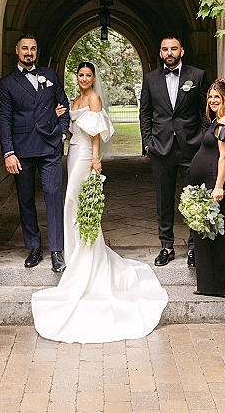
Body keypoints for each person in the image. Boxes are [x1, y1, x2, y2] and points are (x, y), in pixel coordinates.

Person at [31, 62, 168, 343]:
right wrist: (61, 115)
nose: (84, 79)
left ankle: (87, 254)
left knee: (75, 203)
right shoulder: (74, 99)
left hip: (84, 157)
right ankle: (75, 251)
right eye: (80, 75)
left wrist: (95, 159)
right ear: (77, 78)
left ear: (94, 78)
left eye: (88, 75)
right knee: (72, 205)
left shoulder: (93, 98)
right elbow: (70, 129)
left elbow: (95, 133)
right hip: (72, 153)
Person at [0, 34, 70, 273]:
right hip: (22, 148)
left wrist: (61, 132)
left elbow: (64, 106)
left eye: (33, 49)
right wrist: (8, 152)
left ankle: (57, 250)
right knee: (26, 199)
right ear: (17, 51)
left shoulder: (49, 76)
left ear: (37, 51)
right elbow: (4, 119)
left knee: (53, 195)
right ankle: (34, 247)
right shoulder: (6, 84)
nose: (29, 52)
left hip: (49, 146)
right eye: (25, 48)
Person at [139, 36, 210, 267]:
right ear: (160, 53)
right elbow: (145, 113)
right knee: (164, 199)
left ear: (182, 51)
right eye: (165, 49)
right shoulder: (150, 79)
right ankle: (166, 246)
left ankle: (194, 247)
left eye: (174, 49)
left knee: (194, 198)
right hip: (161, 148)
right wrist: (147, 141)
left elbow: (206, 110)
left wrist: (204, 139)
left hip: (191, 147)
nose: (169, 53)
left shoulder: (196, 76)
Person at [188, 78, 225, 297]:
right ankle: (209, 285)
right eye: (210, 97)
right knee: (206, 234)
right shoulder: (216, 121)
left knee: (217, 235)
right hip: (205, 183)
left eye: (216, 97)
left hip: (215, 184)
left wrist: (218, 187)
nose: (212, 100)